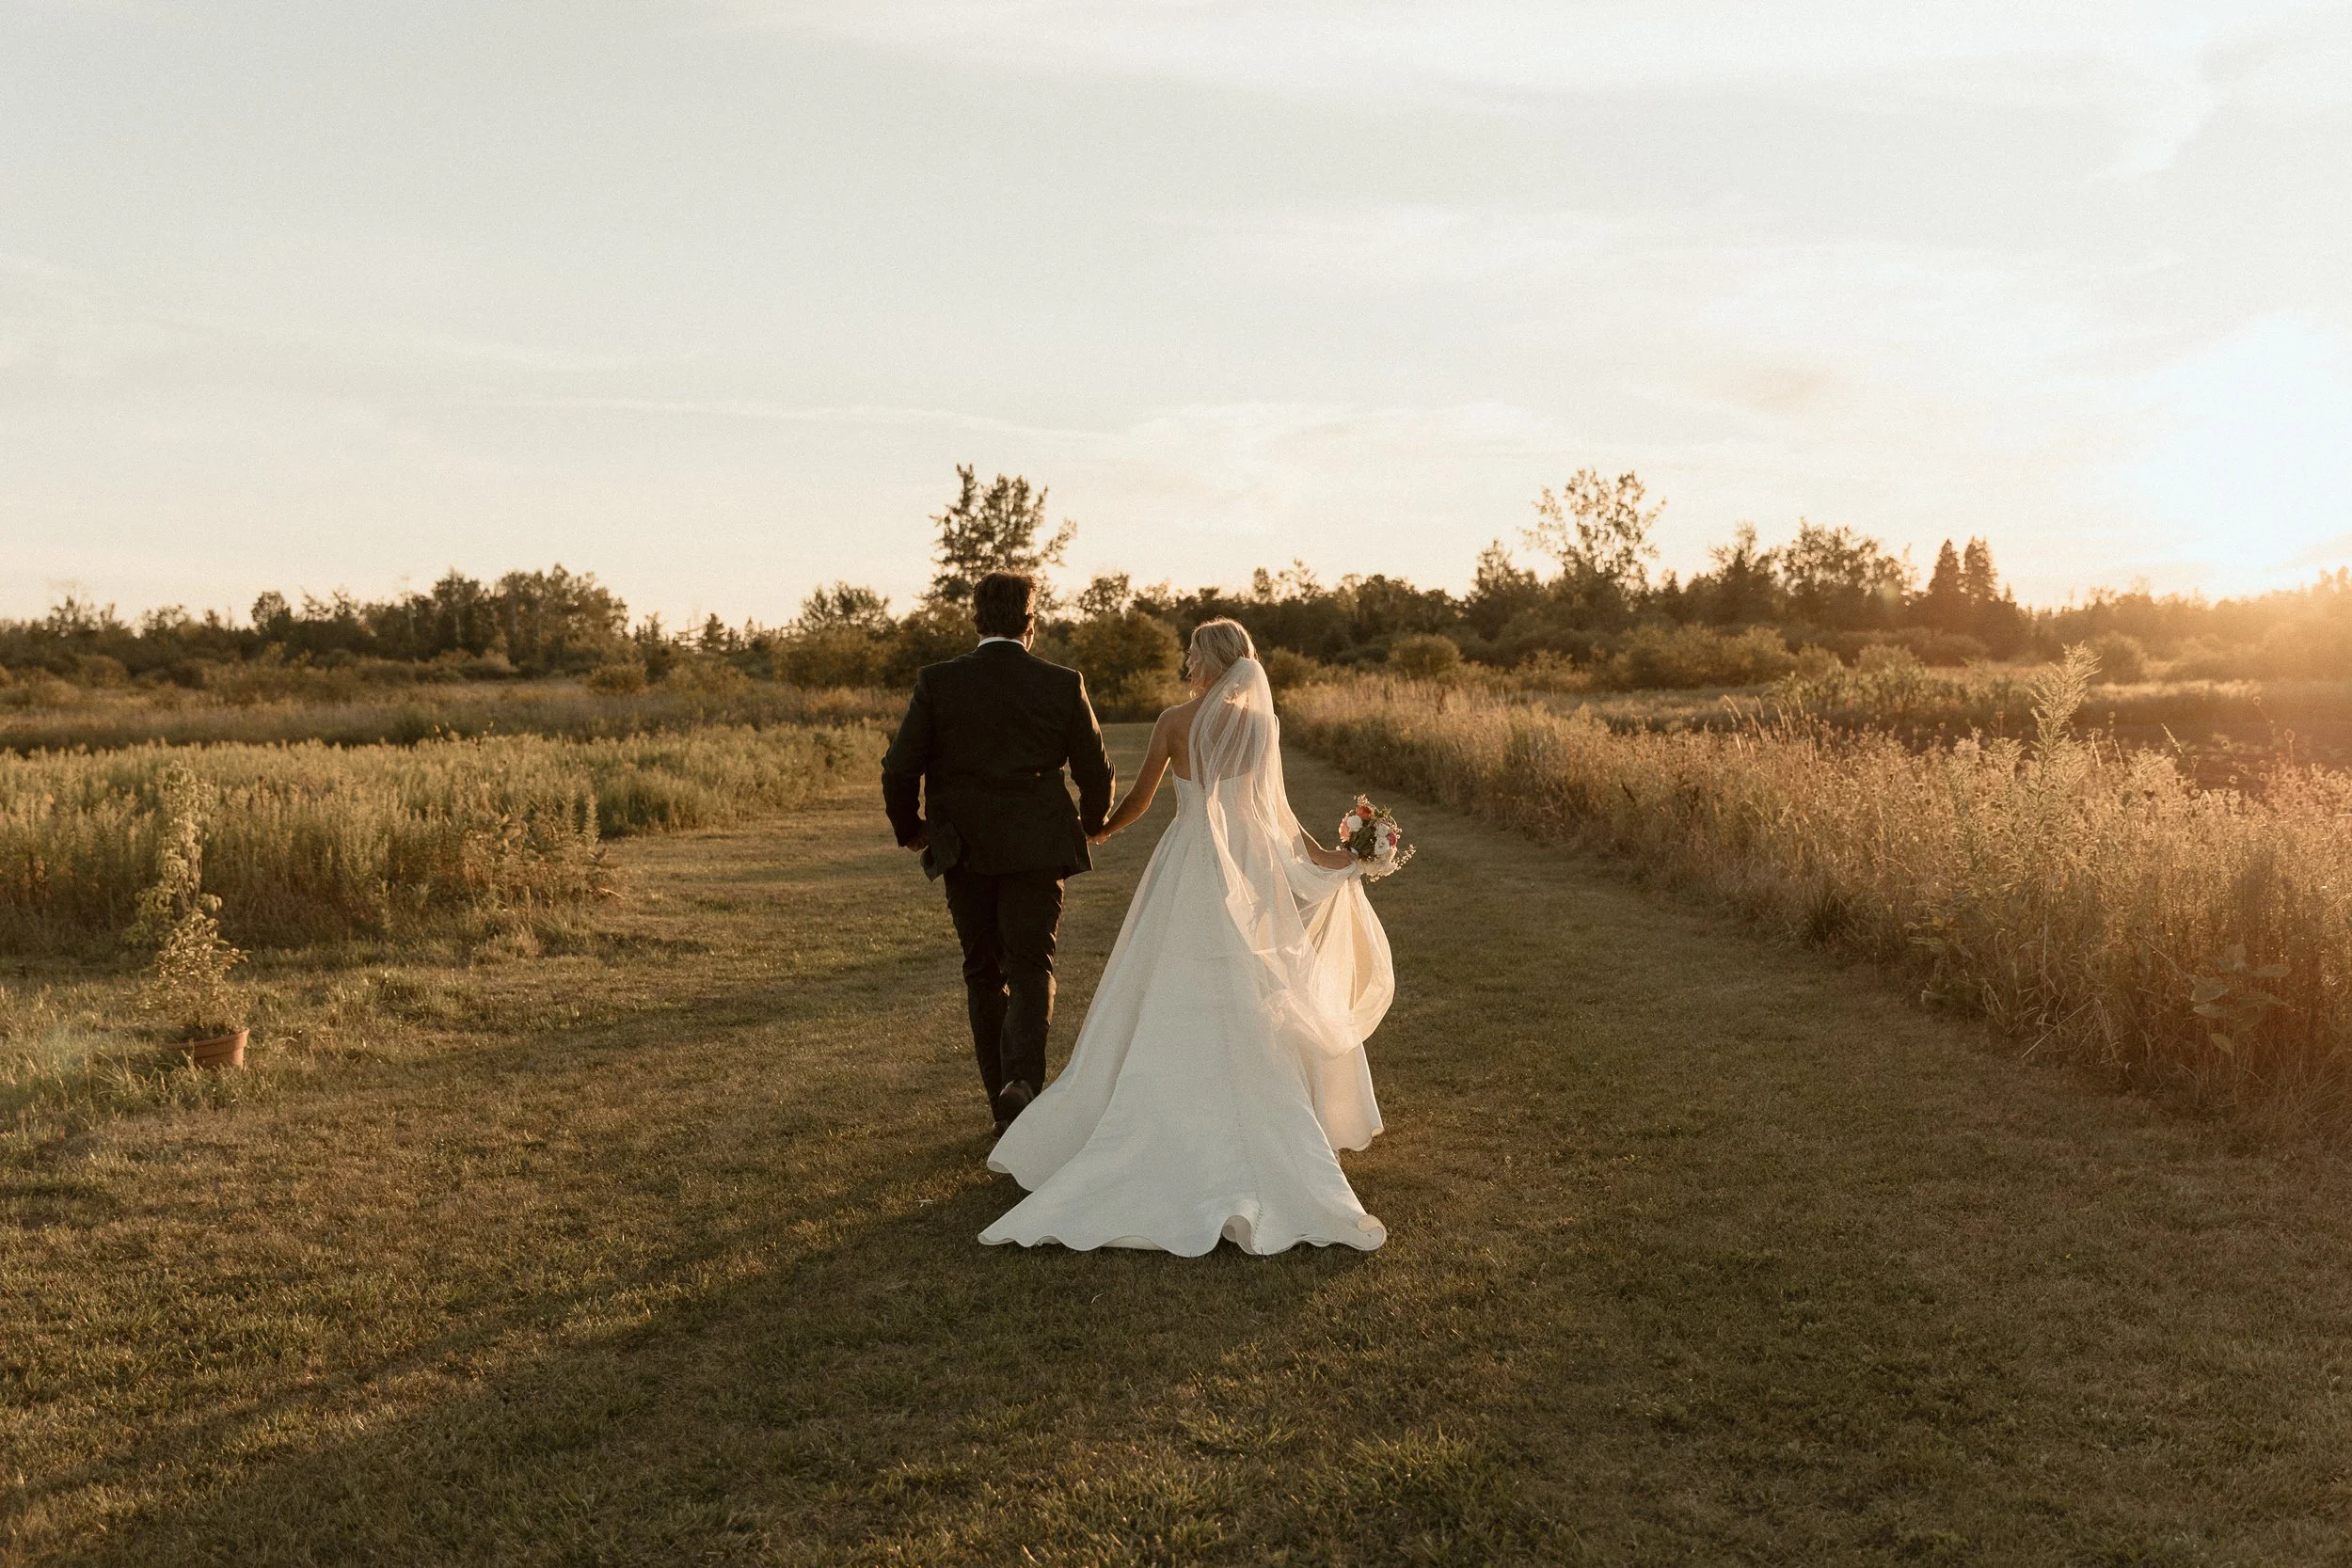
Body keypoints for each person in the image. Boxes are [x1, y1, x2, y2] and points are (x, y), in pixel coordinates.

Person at [980, 617, 1392, 1255]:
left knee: (1169, 981)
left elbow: (1144, 797)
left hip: (1190, 861)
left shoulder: (1174, 720)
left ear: (1213, 660)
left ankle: (1160, 1120)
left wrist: (1104, 829)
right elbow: (1275, 815)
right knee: (1250, 983)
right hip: (1247, 866)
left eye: (1193, 651)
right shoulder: (1260, 725)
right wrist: (1338, 856)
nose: (1187, 659)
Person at [882, 571, 1116, 1135]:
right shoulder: (1062, 683)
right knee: (1032, 964)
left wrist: (911, 828)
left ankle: (1001, 1107)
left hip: (963, 845)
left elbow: (898, 767)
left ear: (977, 621)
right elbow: (1095, 770)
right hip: (1037, 844)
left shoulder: (938, 682)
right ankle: (1022, 1083)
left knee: (983, 970)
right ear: (1030, 624)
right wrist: (1088, 825)